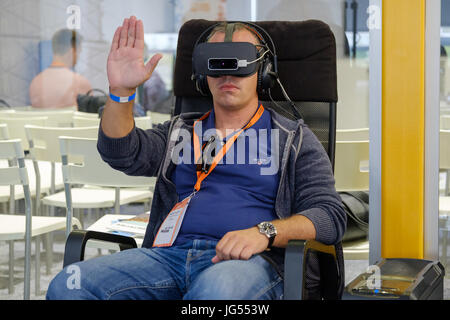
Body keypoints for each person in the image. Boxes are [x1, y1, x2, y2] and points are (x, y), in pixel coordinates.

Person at [46, 16, 346, 300]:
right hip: (167, 258)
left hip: (249, 263)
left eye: (240, 62)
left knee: (215, 291)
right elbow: (121, 152)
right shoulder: (180, 131)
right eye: (216, 64)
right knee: (70, 284)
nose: (227, 73)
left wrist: (265, 232)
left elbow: (329, 215)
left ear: (263, 71)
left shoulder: (292, 138)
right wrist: (121, 92)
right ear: (202, 75)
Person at [29, 29, 92, 109]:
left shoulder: (35, 82)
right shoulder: (80, 82)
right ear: (72, 51)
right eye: (79, 52)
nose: (79, 57)